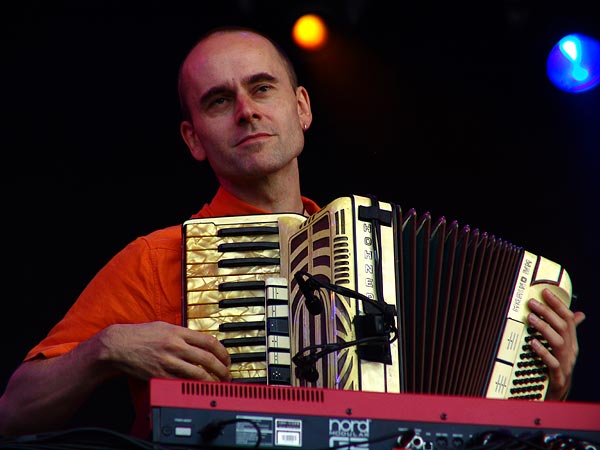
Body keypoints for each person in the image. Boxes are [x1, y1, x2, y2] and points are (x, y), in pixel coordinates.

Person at [0, 26, 586, 439]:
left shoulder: (378, 245)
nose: (246, 111)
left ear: (301, 107)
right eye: (218, 100)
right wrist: (106, 350)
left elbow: (467, 430)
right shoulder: (156, 259)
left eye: (262, 88)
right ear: (192, 139)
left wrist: (546, 390)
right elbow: (14, 412)